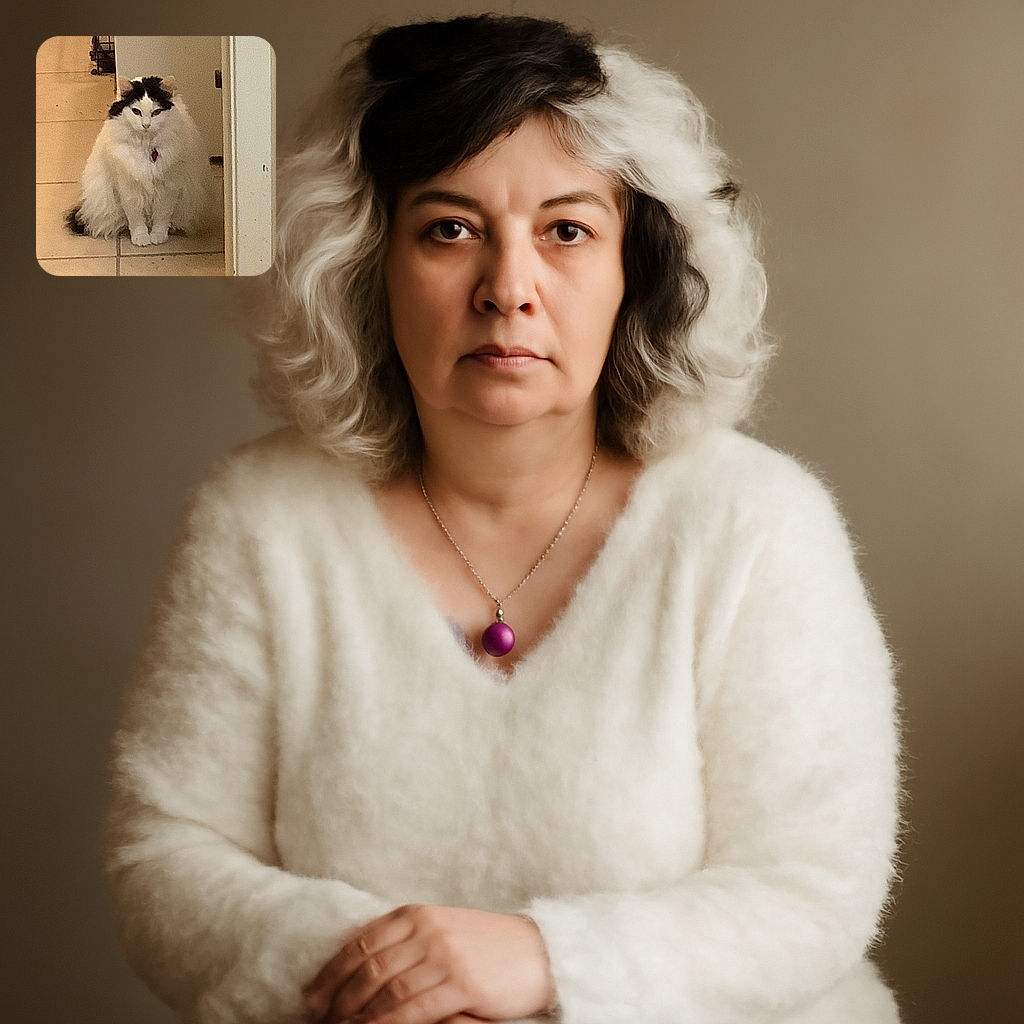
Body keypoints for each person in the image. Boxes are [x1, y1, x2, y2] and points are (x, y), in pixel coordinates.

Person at [107, 14, 901, 1024]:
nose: (507, 290)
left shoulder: (757, 524)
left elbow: (814, 887)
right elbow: (165, 855)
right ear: (364, 262)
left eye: (567, 231)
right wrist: (405, 978)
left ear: (636, 270)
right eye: (449, 229)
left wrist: (543, 962)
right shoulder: (260, 518)